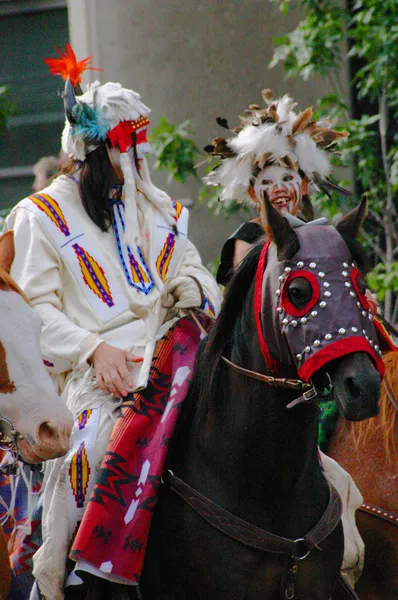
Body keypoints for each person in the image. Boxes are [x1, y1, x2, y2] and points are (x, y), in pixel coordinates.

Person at [4, 45, 221, 599]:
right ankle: (56, 577)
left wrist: (191, 290)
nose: (136, 171)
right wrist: (93, 350)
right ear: (91, 154)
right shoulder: (39, 215)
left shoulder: (149, 204)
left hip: (174, 355)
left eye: (139, 156)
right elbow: (32, 314)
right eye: (126, 156)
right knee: (93, 447)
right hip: (90, 376)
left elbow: (190, 266)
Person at [204, 89, 367, 587]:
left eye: (288, 179)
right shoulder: (248, 244)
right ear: (254, 191)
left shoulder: (328, 240)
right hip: (278, 382)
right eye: (267, 181)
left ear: (303, 182)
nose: (279, 189)